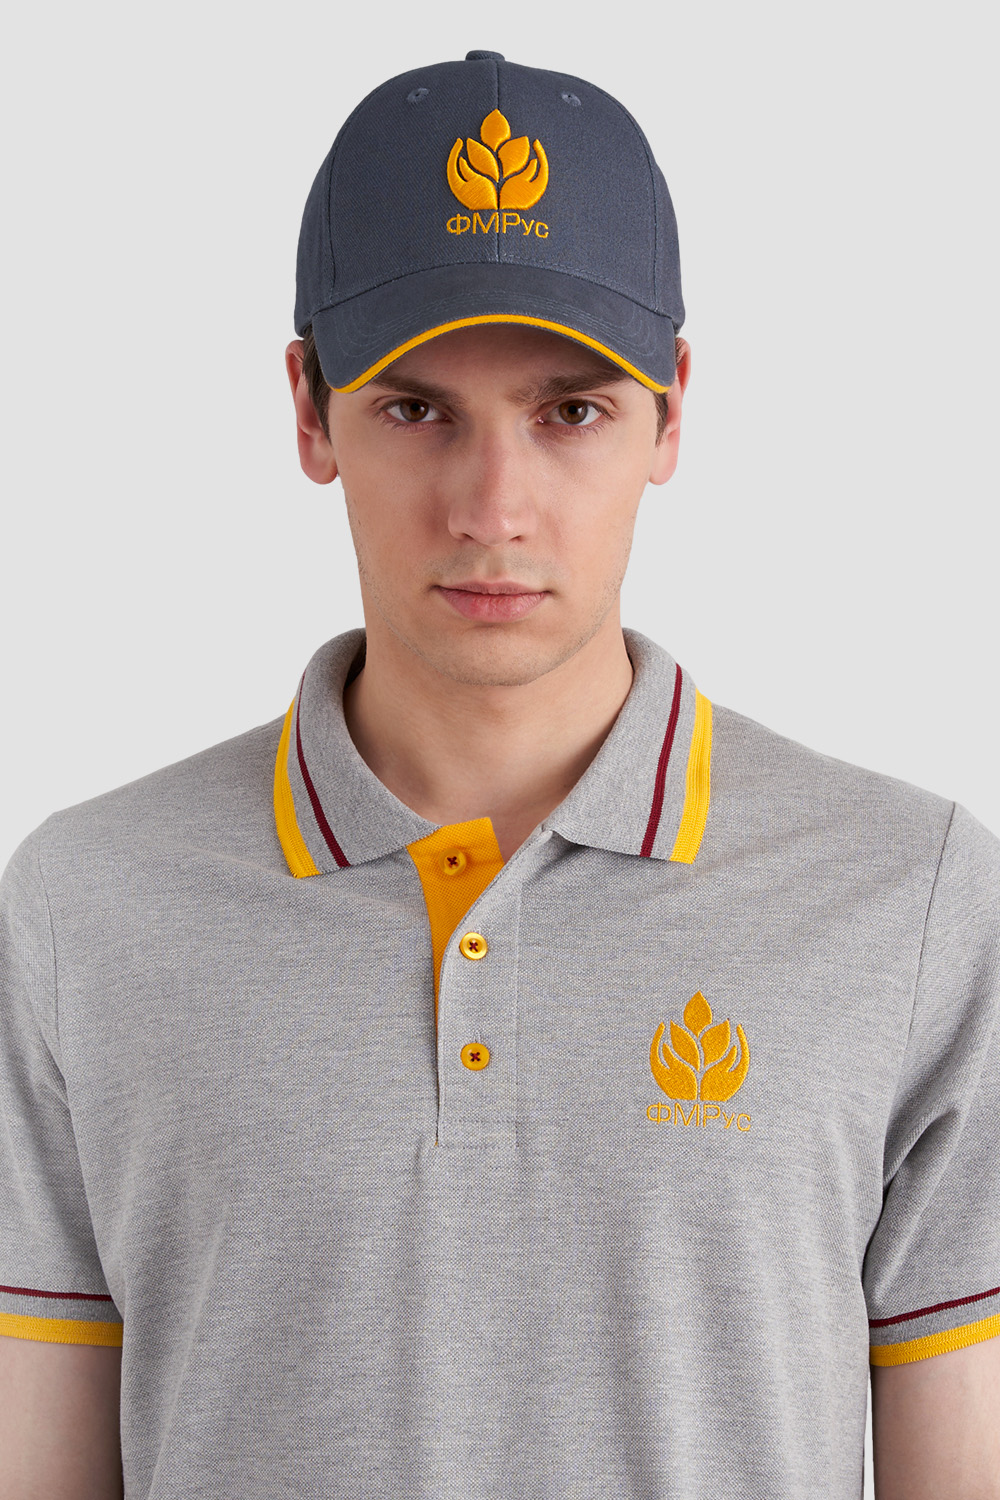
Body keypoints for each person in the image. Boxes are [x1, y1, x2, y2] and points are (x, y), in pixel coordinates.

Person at [0, 48, 997, 1500]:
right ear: (308, 408)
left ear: (672, 413)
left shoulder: (912, 901)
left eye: (569, 411)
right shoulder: (86, 909)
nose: (493, 507)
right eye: (418, 410)